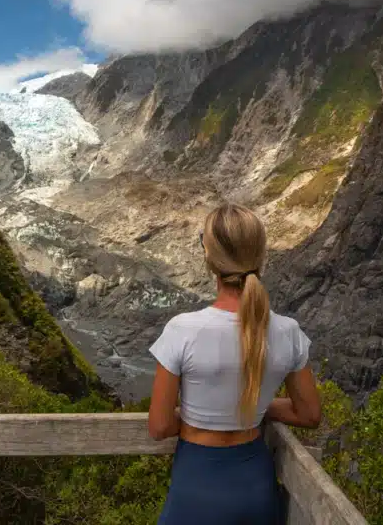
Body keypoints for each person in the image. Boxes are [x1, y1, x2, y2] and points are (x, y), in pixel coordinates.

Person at [147, 203, 321, 525]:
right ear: (261, 256)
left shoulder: (182, 329)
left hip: (197, 482)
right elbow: (309, 414)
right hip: (256, 483)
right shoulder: (289, 331)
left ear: (209, 257)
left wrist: (199, 415)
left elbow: (159, 426)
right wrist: (257, 405)